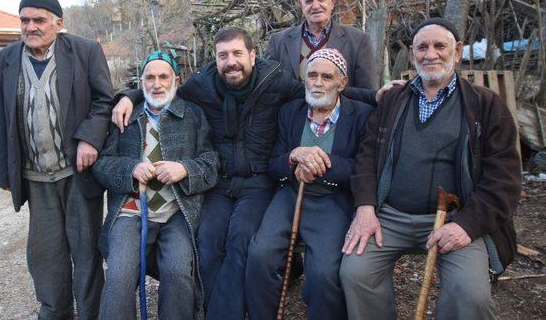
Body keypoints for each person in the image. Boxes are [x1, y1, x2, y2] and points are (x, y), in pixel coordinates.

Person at [112, 27, 303, 319]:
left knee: (241, 240)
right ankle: (214, 309)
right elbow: (162, 88)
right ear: (215, 59)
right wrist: (129, 95)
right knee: (207, 240)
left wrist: (376, 96)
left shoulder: (273, 79)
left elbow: (316, 91)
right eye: (223, 55)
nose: (231, 61)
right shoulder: (202, 84)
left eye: (238, 53)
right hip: (219, 182)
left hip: (256, 183)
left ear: (252, 55)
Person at [339, 18, 522, 320]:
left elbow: (505, 180)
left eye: (440, 46)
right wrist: (366, 207)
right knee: (356, 273)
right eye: (422, 47)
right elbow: (367, 157)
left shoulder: (485, 106)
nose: (431, 54)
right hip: (390, 217)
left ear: (458, 51)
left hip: (454, 220)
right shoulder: (393, 101)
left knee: (471, 296)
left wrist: (467, 225)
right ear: (412, 53)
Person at [0, 0, 114, 319]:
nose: (30, 27)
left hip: (76, 172)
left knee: (86, 251)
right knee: (46, 256)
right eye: (24, 20)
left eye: (39, 20)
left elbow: (104, 101)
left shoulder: (85, 52)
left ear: (58, 23)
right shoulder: (1, 63)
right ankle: (55, 313)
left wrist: (89, 139)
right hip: (35, 177)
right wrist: (4, 174)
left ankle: (90, 314)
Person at [246, 48, 373, 319]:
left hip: (332, 199)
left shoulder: (361, 115)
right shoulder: (290, 111)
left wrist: (319, 163)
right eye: (312, 75)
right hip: (290, 195)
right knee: (260, 256)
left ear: (342, 82)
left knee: (324, 272)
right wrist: (294, 156)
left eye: (326, 77)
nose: (317, 82)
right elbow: (273, 163)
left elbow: (362, 168)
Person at [93, 51, 218, 319]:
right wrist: (131, 169)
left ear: (176, 79)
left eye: (163, 77)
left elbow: (211, 163)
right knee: (119, 275)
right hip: (132, 210)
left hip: (177, 212)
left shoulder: (193, 115)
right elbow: (102, 164)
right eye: (149, 77)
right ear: (141, 82)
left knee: (177, 273)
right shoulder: (125, 117)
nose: (156, 84)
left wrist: (184, 168)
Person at [265, 0, 377, 91]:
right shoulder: (278, 42)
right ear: (300, 5)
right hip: (291, 109)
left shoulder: (358, 41)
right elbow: (269, 90)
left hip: (341, 109)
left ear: (332, 1)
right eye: (309, 1)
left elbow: (366, 94)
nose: (316, 6)